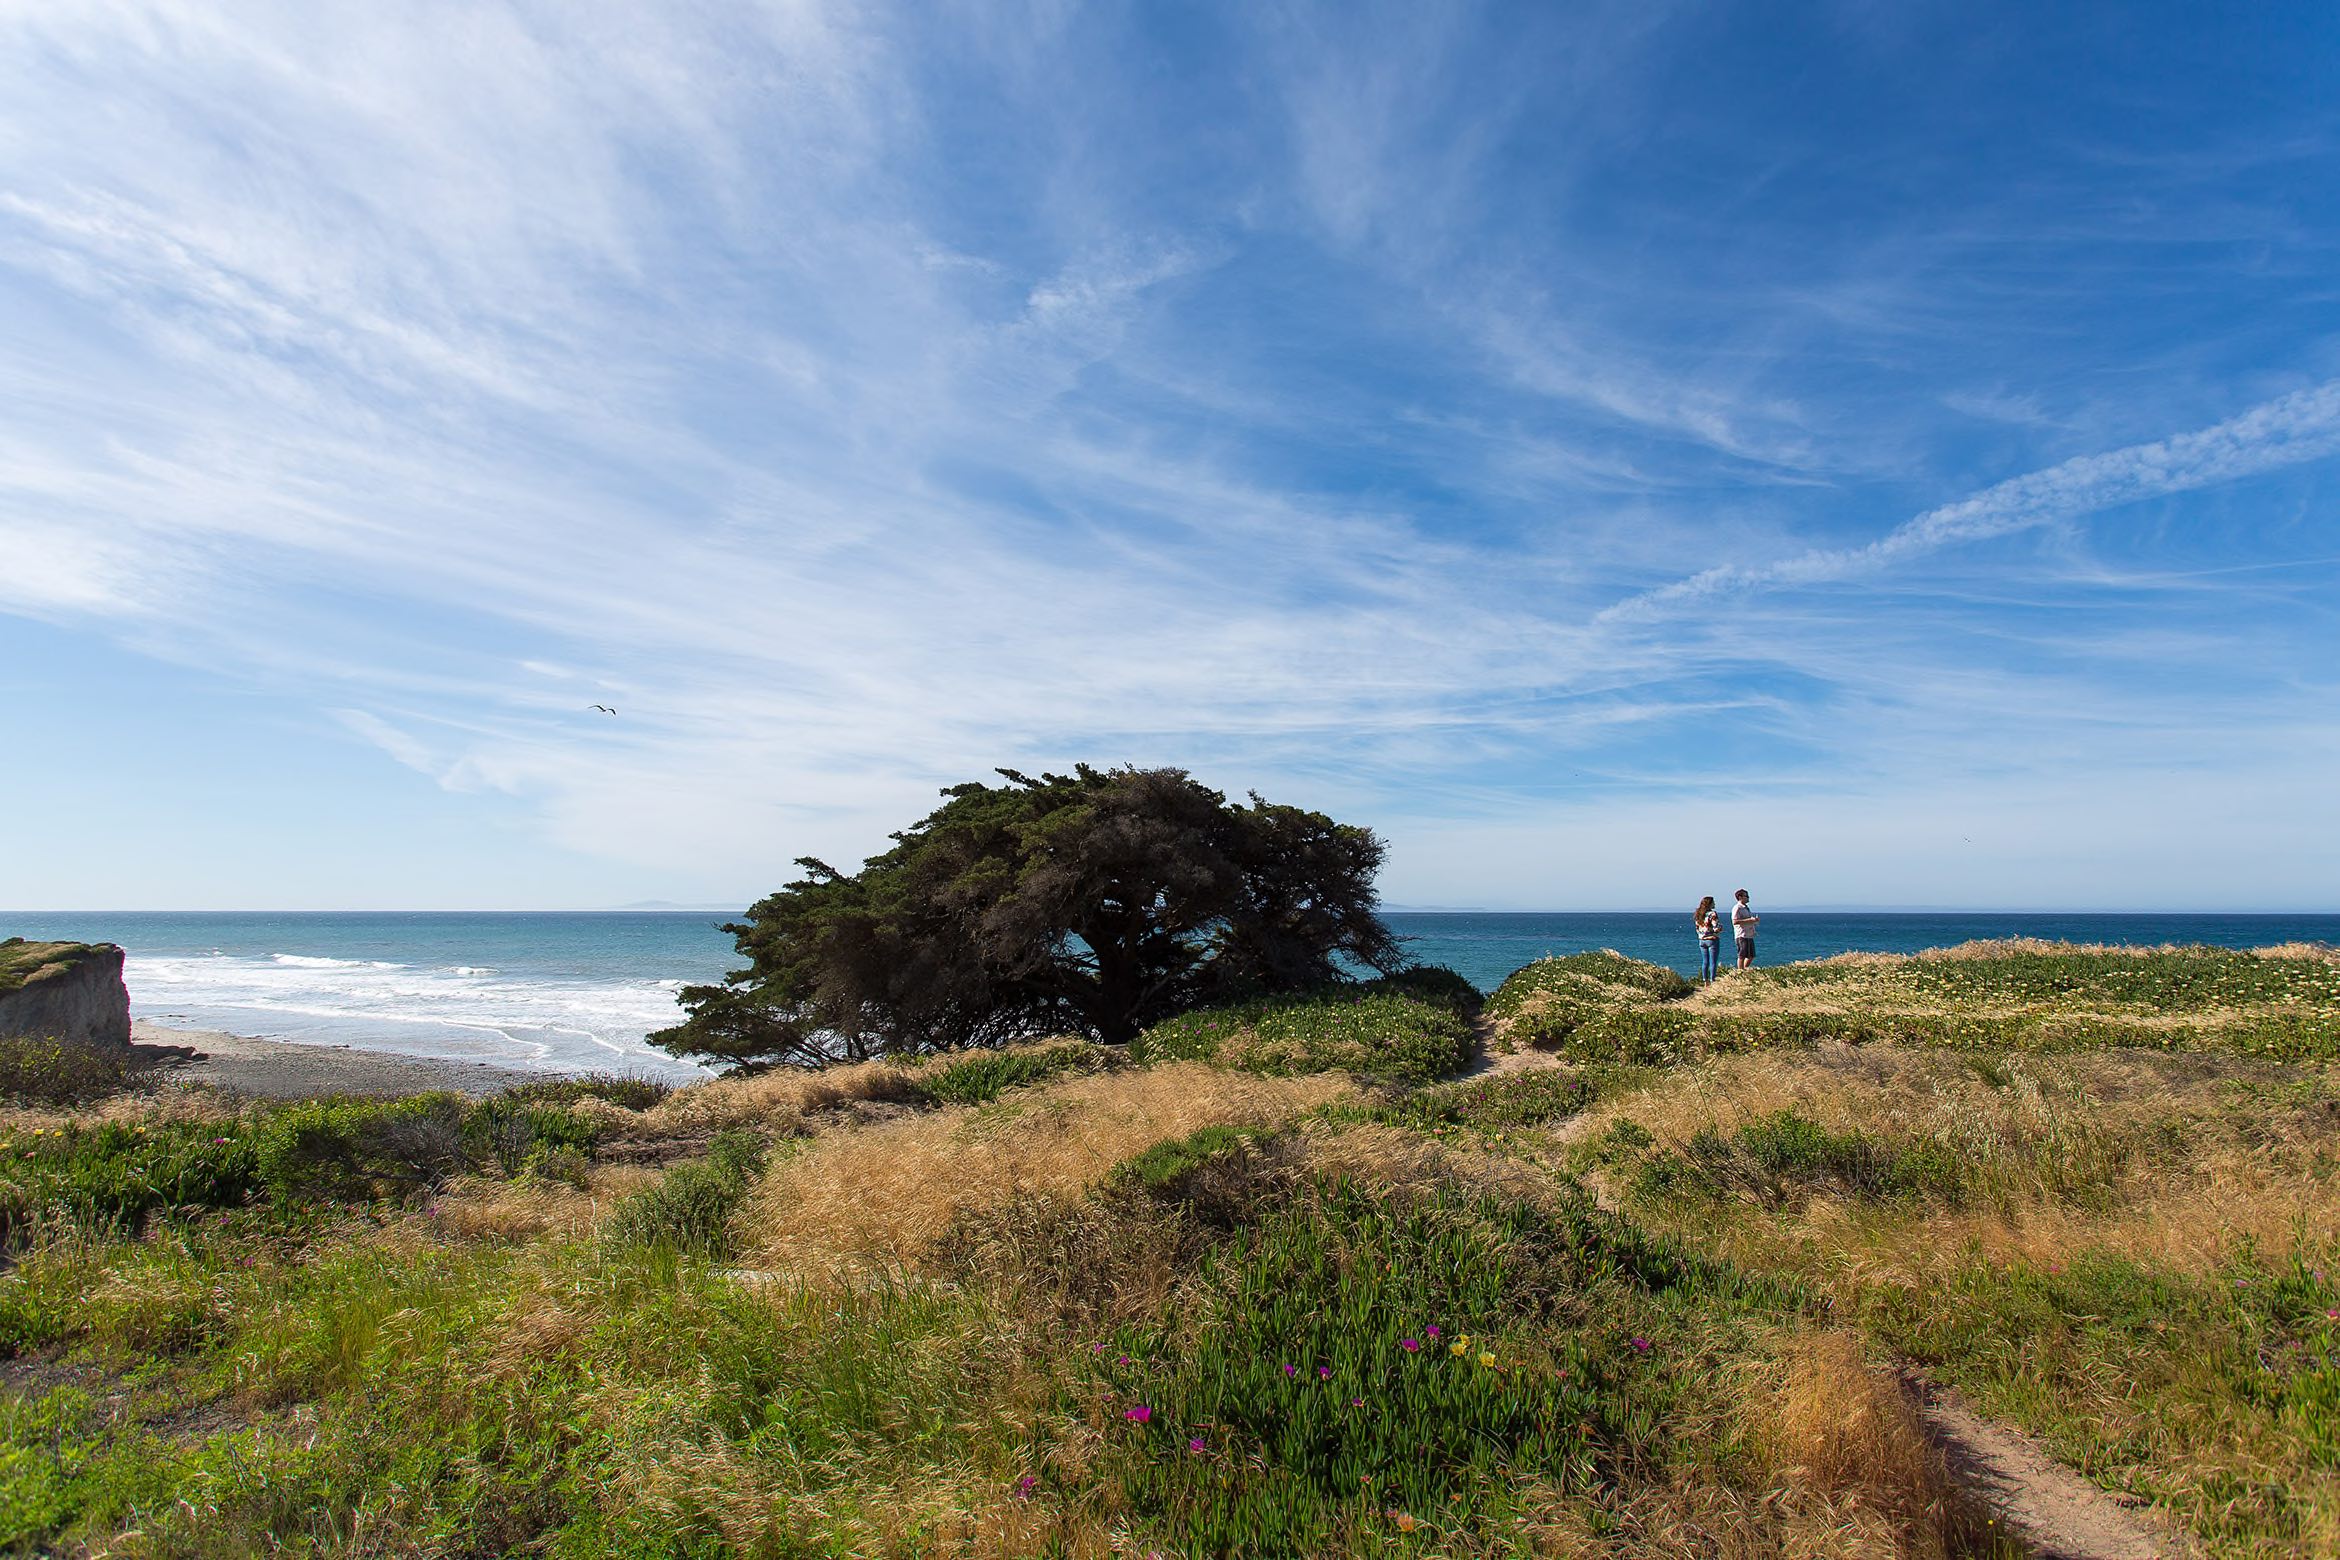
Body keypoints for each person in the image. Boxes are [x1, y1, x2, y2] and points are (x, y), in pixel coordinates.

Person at [1694, 895, 1720, 983]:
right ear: (1709, 904)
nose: (1714, 903)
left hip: (1702, 940)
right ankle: (1713, 980)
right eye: (1713, 902)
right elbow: (1716, 927)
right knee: (1713, 962)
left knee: (1705, 962)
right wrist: (1720, 928)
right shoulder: (1712, 914)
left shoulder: (1698, 914)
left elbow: (1697, 928)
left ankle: (1705, 981)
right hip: (1711, 939)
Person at [1731, 889, 1759, 969]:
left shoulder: (1746, 908)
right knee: (1742, 954)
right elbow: (1735, 921)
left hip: (1749, 934)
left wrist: (1754, 921)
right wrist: (1750, 920)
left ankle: (1745, 968)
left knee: (1751, 955)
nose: (1748, 897)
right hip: (1741, 934)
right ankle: (1740, 970)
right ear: (1740, 897)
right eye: (1746, 896)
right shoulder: (1737, 908)